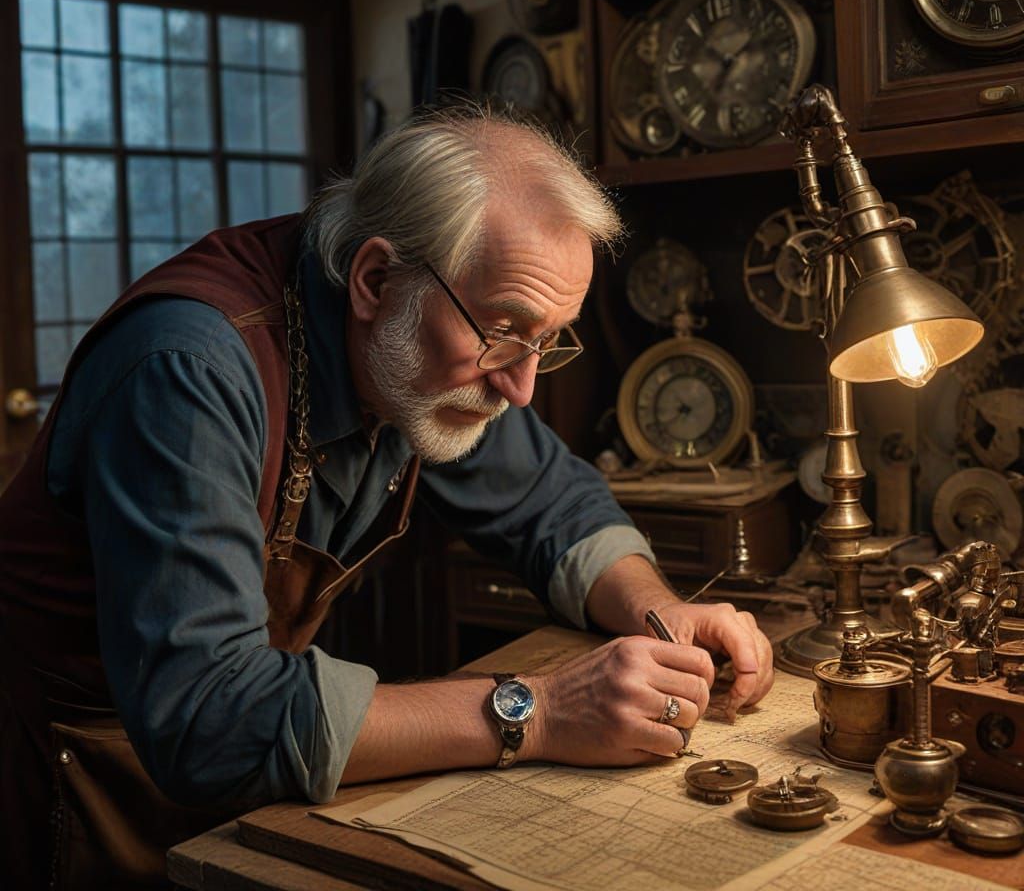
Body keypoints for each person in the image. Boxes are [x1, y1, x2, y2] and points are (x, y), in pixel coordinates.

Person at [0, 107, 773, 889]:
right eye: (505, 332)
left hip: (240, 771)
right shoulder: (189, 368)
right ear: (374, 279)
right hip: (71, 778)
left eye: (547, 341)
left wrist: (655, 607)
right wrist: (537, 711)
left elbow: (552, 501)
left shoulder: (432, 343)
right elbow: (211, 718)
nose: (522, 386)